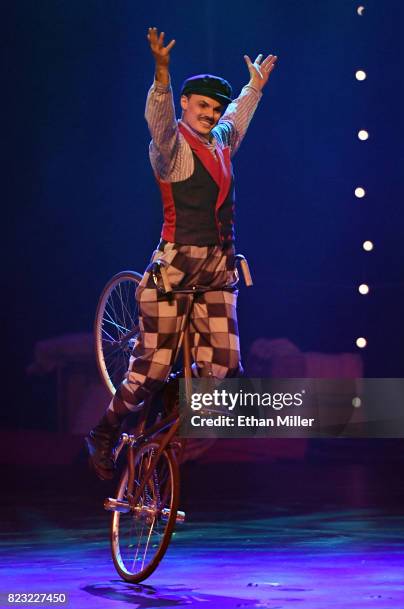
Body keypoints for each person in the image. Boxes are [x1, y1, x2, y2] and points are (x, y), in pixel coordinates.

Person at [86, 27, 277, 480]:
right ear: (185, 106)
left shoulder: (222, 142)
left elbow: (237, 116)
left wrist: (253, 87)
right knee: (148, 372)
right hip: (174, 268)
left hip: (217, 267)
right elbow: (157, 117)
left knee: (225, 370)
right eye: (202, 106)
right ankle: (105, 430)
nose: (210, 113)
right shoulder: (171, 148)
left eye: (214, 107)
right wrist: (162, 73)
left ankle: (179, 391)